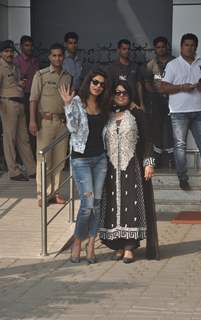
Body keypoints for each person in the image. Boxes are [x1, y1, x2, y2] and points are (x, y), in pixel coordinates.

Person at [99, 80, 160, 263]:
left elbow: (149, 139)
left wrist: (149, 163)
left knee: (131, 204)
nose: (121, 96)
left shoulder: (137, 114)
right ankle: (117, 245)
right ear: (112, 95)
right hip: (110, 168)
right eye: (117, 93)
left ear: (130, 94)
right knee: (112, 205)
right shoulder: (106, 115)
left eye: (125, 92)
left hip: (131, 166)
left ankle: (129, 247)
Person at [59, 69, 110, 264]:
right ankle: (78, 242)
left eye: (102, 84)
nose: (98, 86)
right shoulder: (77, 102)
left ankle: (91, 245)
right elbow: (72, 128)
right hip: (81, 160)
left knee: (96, 205)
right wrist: (67, 104)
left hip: (100, 160)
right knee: (87, 205)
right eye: (95, 82)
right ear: (89, 82)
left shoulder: (104, 106)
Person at [160, 33, 201, 190]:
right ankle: (182, 178)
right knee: (180, 146)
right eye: (186, 45)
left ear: (196, 46)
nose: (189, 48)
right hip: (178, 112)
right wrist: (182, 87)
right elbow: (163, 87)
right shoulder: (173, 65)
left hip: (200, 111)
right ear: (182, 46)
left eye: (192, 45)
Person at [29, 43, 73, 206]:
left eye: (60, 55)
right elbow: (33, 99)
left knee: (60, 160)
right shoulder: (41, 75)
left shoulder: (68, 76)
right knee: (43, 158)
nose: (57, 58)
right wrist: (32, 120)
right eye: (54, 55)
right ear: (49, 57)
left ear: (64, 57)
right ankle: (42, 194)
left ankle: (54, 193)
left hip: (62, 123)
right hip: (46, 122)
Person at [0, 40, 35, 181]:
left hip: (19, 103)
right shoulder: (1, 67)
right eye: (6, 51)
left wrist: (20, 84)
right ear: (1, 53)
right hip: (7, 104)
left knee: (24, 139)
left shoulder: (14, 66)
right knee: (10, 139)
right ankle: (13, 171)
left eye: (11, 51)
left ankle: (32, 169)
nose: (9, 54)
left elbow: (14, 83)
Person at [142, 36, 175, 168]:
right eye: (158, 47)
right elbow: (146, 82)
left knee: (171, 128)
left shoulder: (175, 62)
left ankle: (171, 159)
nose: (161, 49)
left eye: (163, 46)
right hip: (156, 101)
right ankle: (157, 158)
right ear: (155, 49)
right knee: (156, 128)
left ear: (167, 47)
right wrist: (155, 94)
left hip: (173, 99)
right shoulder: (151, 64)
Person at [14, 35, 39, 159]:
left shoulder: (35, 61)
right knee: (21, 129)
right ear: (21, 46)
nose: (29, 48)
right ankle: (20, 159)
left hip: (33, 97)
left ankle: (33, 156)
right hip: (21, 96)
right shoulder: (16, 61)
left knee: (33, 126)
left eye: (30, 45)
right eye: (26, 45)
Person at [107, 39, 144, 109]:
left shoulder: (135, 66)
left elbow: (139, 85)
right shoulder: (112, 68)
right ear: (118, 50)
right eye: (124, 49)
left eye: (128, 49)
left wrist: (142, 104)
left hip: (134, 105)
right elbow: (109, 88)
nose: (127, 51)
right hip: (118, 104)